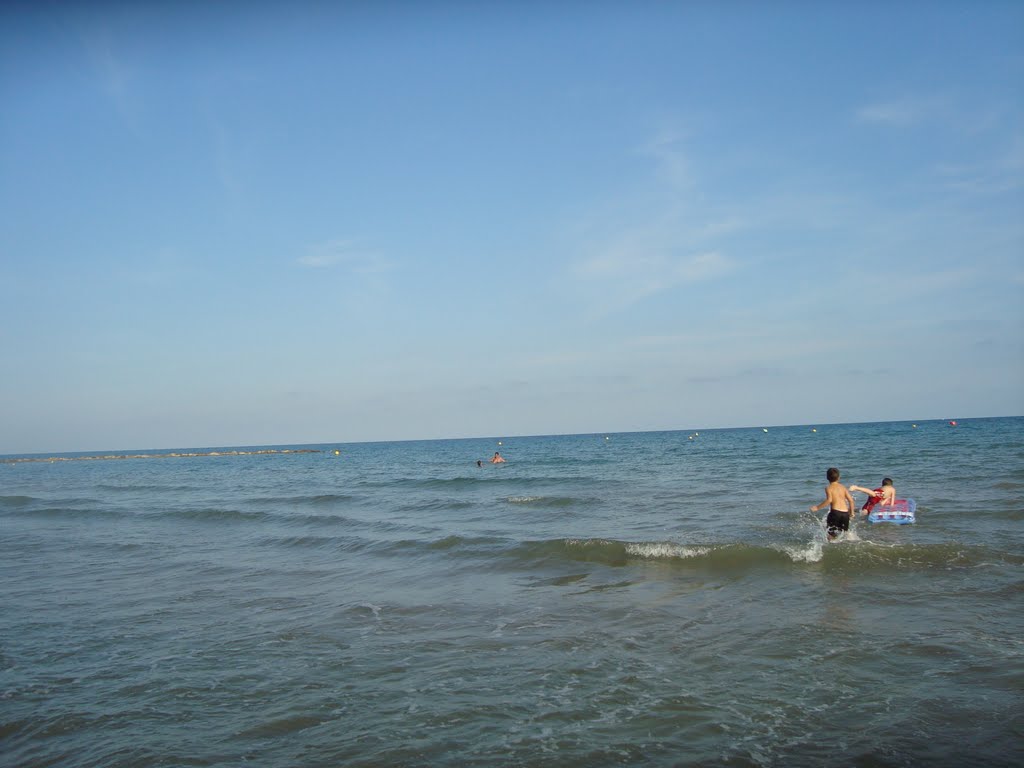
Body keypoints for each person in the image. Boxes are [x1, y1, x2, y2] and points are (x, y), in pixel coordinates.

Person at [810, 467, 855, 539]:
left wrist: (817, 507)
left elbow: (829, 500)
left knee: (830, 534)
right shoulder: (843, 487)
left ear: (827, 477)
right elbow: (851, 500)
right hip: (845, 514)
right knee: (844, 534)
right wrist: (852, 513)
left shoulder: (828, 488)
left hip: (835, 513)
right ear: (839, 477)